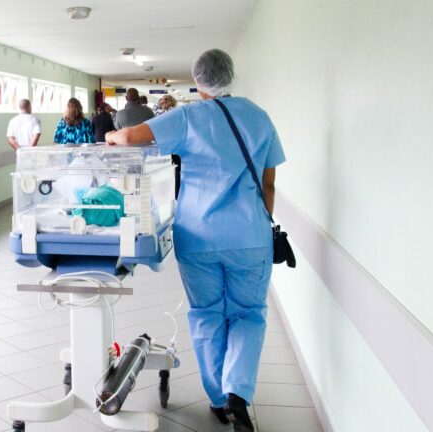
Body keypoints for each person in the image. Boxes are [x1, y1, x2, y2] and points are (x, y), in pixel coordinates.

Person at [105, 49, 286, 432]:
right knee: (248, 314)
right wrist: (257, 220)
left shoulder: (189, 117)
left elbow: (131, 137)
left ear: (198, 80)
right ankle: (239, 392)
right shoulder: (259, 117)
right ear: (231, 76)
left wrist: (111, 133)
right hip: (250, 236)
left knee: (207, 314)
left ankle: (220, 401)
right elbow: (268, 184)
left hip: (198, 236)